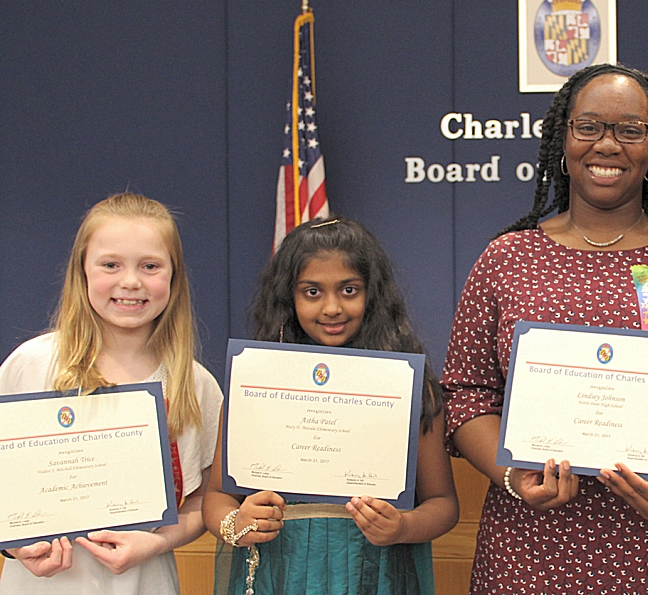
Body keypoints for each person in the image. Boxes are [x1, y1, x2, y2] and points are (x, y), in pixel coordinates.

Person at [443, 63, 648, 593]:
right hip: (532, 550)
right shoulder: (507, 259)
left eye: (630, 129)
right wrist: (513, 477)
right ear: (563, 137)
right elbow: (466, 393)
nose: (607, 145)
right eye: (589, 127)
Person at [202, 216, 458, 595]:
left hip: (373, 572)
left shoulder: (409, 388)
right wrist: (235, 523)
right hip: (278, 569)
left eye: (349, 290)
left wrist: (403, 527)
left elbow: (443, 504)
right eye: (312, 292)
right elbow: (216, 497)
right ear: (287, 297)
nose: (333, 307)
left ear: (374, 294)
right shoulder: (253, 382)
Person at [0, 192, 223, 594]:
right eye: (110, 265)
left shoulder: (195, 385)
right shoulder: (31, 365)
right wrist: (15, 545)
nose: (131, 281)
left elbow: (201, 504)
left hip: (145, 582)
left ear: (174, 276)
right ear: (81, 271)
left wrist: (158, 541)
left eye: (150, 266)